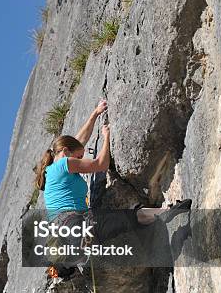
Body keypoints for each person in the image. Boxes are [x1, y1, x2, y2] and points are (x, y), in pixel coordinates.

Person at [33, 99, 191, 273]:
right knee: (129, 217)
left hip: (69, 232)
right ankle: (167, 213)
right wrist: (106, 137)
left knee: (124, 221)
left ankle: (166, 214)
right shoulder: (64, 163)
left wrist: (95, 114)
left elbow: (79, 141)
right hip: (76, 225)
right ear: (66, 152)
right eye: (79, 157)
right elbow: (101, 164)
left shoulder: (53, 171)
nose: (80, 160)